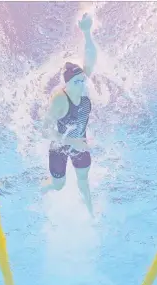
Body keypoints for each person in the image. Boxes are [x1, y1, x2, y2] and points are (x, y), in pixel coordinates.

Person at [40, 13, 97, 216]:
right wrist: (73, 142)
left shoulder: (83, 88)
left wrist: (87, 33)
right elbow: (44, 130)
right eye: (77, 82)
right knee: (59, 186)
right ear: (67, 83)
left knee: (83, 180)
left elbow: (90, 60)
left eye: (83, 80)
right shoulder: (60, 100)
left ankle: (91, 215)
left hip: (79, 144)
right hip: (60, 148)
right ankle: (40, 190)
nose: (82, 85)